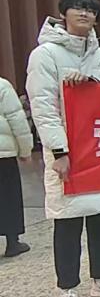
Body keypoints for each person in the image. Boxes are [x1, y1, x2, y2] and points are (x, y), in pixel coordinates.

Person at [26, 0, 100, 297]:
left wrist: (92, 82)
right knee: (68, 221)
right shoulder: (45, 55)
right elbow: (43, 107)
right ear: (63, 13)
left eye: (91, 10)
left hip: (99, 148)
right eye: (78, 8)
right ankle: (67, 289)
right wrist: (58, 150)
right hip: (68, 152)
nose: (85, 14)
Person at [0, 75, 33, 258]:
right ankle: (12, 242)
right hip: (3, 155)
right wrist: (25, 149)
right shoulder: (2, 86)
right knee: (8, 197)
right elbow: (17, 120)